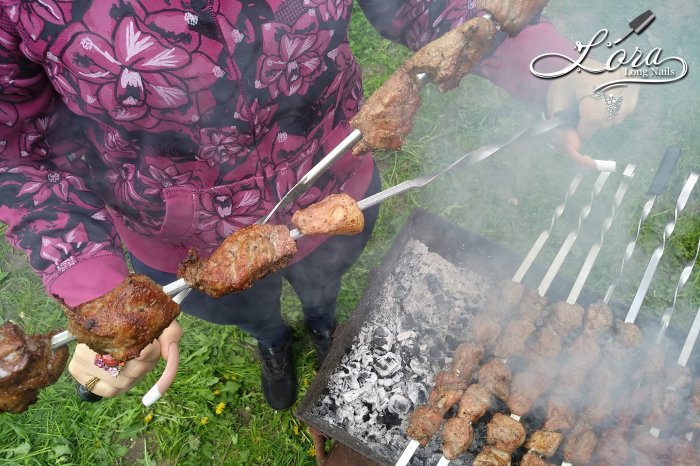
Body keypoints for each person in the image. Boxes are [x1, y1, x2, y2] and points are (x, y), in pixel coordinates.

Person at [0, 1, 637, 411]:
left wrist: (550, 66)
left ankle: (323, 321)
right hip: (174, 238)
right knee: (244, 311)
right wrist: (101, 294)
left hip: (333, 182)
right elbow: (15, 147)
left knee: (328, 279)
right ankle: (272, 342)